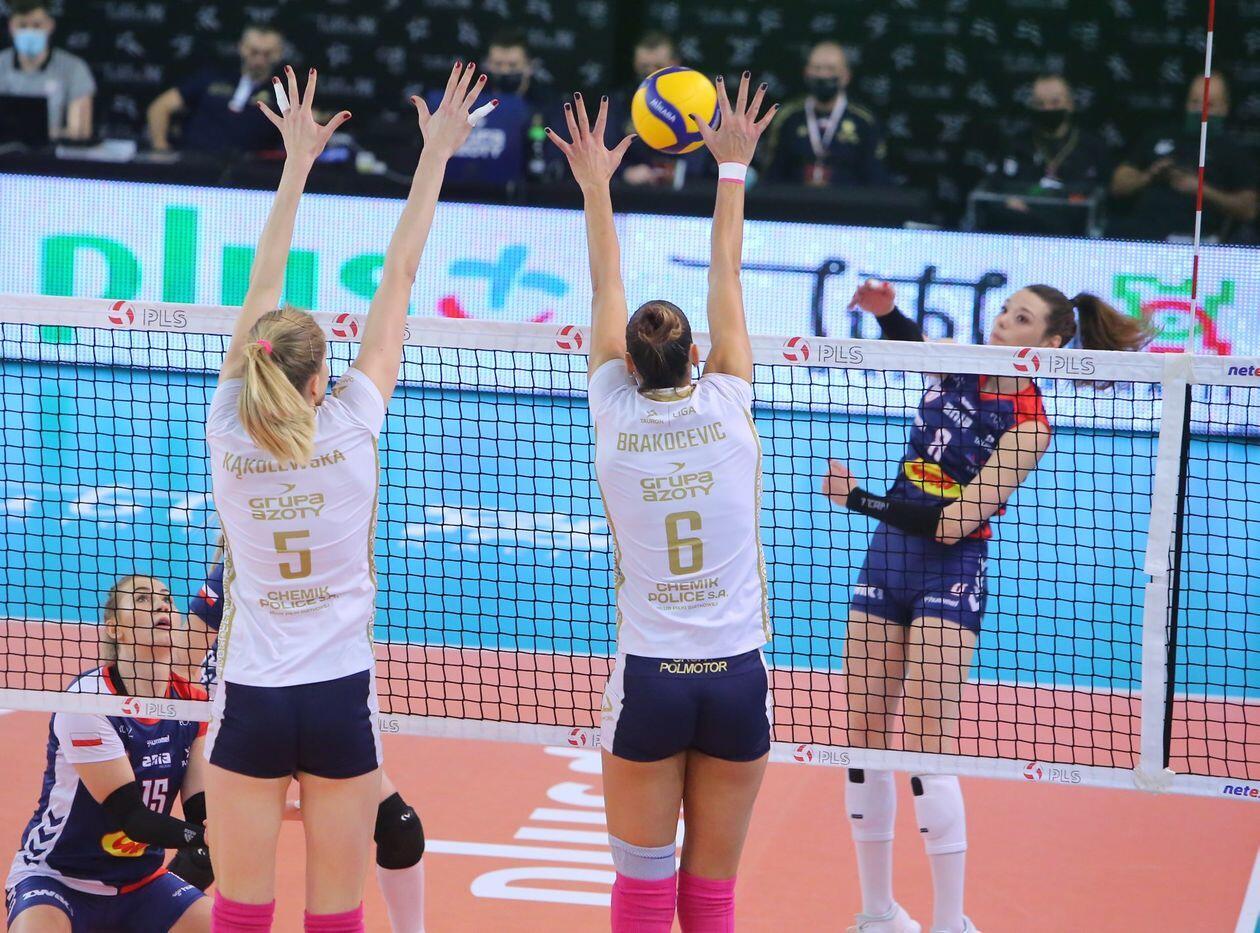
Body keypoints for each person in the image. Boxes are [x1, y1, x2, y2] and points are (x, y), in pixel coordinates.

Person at [202, 62, 489, 932]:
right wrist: (434, 155)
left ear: (255, 363)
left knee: (240, 911)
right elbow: (399, 275)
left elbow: (261, 285)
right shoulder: (355, 421)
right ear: (320, 377)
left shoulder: (227, 427)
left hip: (252, 692)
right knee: (336, 913)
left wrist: (294, 163)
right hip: (337, 696)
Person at [821, 280, 1152, 933]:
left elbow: (953, 525)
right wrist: (888, 313)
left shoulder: (1030, 426)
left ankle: (950, 923)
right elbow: (912, 347)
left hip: (950, 571)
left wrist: (858, 500)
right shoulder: (963, 360)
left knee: (927, 749)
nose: (1002, 322)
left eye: (1020, 318)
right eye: (1004, 310)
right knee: (863, 736)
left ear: (1051, 341)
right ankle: (877, 913)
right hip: (886, 560)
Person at [546, 74, 778, 932]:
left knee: (643, 892)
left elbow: (605, 285)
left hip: (651, 678)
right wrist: (731, 167)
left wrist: (596, 185)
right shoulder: (730, 403)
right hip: (737, 676)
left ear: (629, 364)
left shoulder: (612, 415)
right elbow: (726, 271)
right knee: (711, 896)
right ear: (698, 358)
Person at [188, 556, 427, 933]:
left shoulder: (331, 564)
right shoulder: (234, 571)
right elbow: (185, 656)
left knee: (401, 827)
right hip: (243, 723)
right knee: (203, 847)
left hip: (318, 714)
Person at [5, 575, 213, 932]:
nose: (161, 604)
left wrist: (242, 817)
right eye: (143, 599)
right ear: (116, 629)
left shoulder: (191, 703)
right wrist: (205, 836)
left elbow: (199, 809)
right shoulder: (89, 701)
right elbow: (132, 818)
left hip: (141, 884)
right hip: (57, 879)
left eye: (167, 598)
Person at [1108, 74, 1258, 242]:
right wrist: (1150, 175)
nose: (1200, 110)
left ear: (1224, 108)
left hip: (1197, 240)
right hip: (1144, 237)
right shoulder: (1158, 136)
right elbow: (1117, 186)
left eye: (1209, 105)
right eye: (1195, 102)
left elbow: (1248, 209)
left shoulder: (1232, 151)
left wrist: (1199, 188)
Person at [977, 74, 1110, 235]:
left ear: (1070, 104)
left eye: (1055, 102)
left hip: (1074, 237)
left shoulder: (1092, 147)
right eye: (1040, 104)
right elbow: (992, 191)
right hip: (1020, 232)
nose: (1047, 109)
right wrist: (1006, 201)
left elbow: (1100, 200)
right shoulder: (1015, 145)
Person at [428, 30, 556, 187]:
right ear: (487, 64)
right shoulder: (471, 100)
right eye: (498, 64)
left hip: (524, 190)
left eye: (513, 65)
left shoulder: (544, 104)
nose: (505, 71)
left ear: (529, 66)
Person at [760, 41, 887, 187]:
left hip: (848, 199)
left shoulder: (864, 121)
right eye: (817, 68)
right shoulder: (788, 117)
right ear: (806, 73)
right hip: (793, 199)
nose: (823, 75)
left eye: (831, 69)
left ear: (846, 75)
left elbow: (876, 178)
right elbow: (772, 173)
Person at [146, 24, 284, 154]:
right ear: (242, 47)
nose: (259, 59)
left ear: (278, 54)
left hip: (252, 167)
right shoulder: (211, 78)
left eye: (267, 53)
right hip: (194, 162)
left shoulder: (283, 93)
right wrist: (160, 147)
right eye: (254, 51)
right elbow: (160, 107)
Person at [0, 0, 95, 141]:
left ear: (50, 26)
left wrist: (39, 135)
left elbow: (80, 132)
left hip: (52, 151)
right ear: (11, 27)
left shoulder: (74, 68)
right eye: (22, 25)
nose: (29, 32)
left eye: (37, 25)